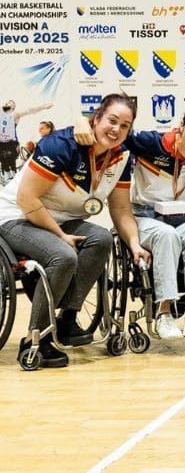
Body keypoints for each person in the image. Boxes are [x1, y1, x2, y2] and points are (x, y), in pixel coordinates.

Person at [0, 94, 148, 369]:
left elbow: (121, 210)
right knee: (63, 256)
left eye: (124, 125)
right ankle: (38, 338)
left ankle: (67, 319)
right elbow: (26, 199)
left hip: (63, 219)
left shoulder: (121, 156)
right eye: (112, 121)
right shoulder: (60, 145)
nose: (116, 130)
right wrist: (61, 235)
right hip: (16, 216)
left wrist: (135, 244)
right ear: (97, 118)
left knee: (101, 238)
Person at [120, 104, 185, 340]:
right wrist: (81, 122)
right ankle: (164, 313)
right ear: (181, 126)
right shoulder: (149, 143)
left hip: (183, 218)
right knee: (166, 235)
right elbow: (112, 135)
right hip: (146, 216)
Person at [0, 100, 53, 180]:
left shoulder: (15, 115)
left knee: (10, 165)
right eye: (6, 104)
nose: (7, 106)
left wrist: (44, 106)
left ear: (13, 109)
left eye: (10, 106)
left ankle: (13, 177)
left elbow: (30, 110)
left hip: (11, 145)